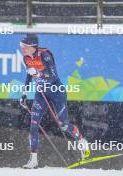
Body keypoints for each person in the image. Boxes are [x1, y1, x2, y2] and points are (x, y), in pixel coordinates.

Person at [19, 34, 90, 169]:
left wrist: (38, 74)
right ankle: (33, 160)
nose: (23, 49)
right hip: (41, 92)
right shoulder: (26, 58)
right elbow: (28, 75)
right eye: (21, 46)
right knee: (33, 125)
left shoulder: (45, 55)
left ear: (32, 46)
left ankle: (82, 141)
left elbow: (53, 76)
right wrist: (24, 93)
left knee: (63, 125)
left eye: (25, 46)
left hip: (56, 91)